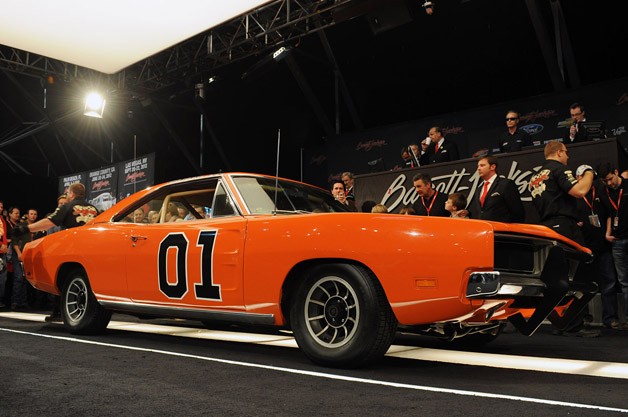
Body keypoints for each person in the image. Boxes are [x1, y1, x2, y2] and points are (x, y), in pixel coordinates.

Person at [528, 141, 598, 337]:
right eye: (566, 153)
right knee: (577, 274)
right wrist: (588, 172)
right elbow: (580, 191)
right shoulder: (558, 169)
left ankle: (560, 322)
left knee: (556, 275)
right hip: (565, 227)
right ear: (559, 152)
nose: (568, 156)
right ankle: (574, 323)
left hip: (548, 227)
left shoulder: (535, 176)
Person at [11, 183, 99, 322]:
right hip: (92, 251)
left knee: (62, 280)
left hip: (72, 250)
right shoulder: (95, 209)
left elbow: (49, 222)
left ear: (71, 193)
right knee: (86, 283)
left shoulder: (68, 206)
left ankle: (60, 313)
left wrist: (27, 228)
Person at [574, 164, 625, 330]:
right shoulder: (574, 195)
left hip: (603, 245)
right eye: (585, 177)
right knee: (582, 284)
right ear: (578, 178)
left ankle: (610, 318)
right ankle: (583, 317)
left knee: (609, 282)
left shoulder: (601, 191)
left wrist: (608, 233)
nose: (589, 180)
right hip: (583, 247)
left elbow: (611, 213)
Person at [598, 163, 628, 329]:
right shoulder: (604, 192)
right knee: (624, 281)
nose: (609, 183)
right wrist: (607, 233)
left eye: (610, 179)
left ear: (616, 172)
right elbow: (609, 214)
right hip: (617, 241)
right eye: (605, 181)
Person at [467, 156, 525, 222]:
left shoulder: (506, 184)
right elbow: (481, 211)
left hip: (503, 227)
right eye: (478, 166)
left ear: (492, 167)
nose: (478, 168)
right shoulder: (479, 189)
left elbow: (517, 211)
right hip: (486, 227)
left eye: (482, 165)